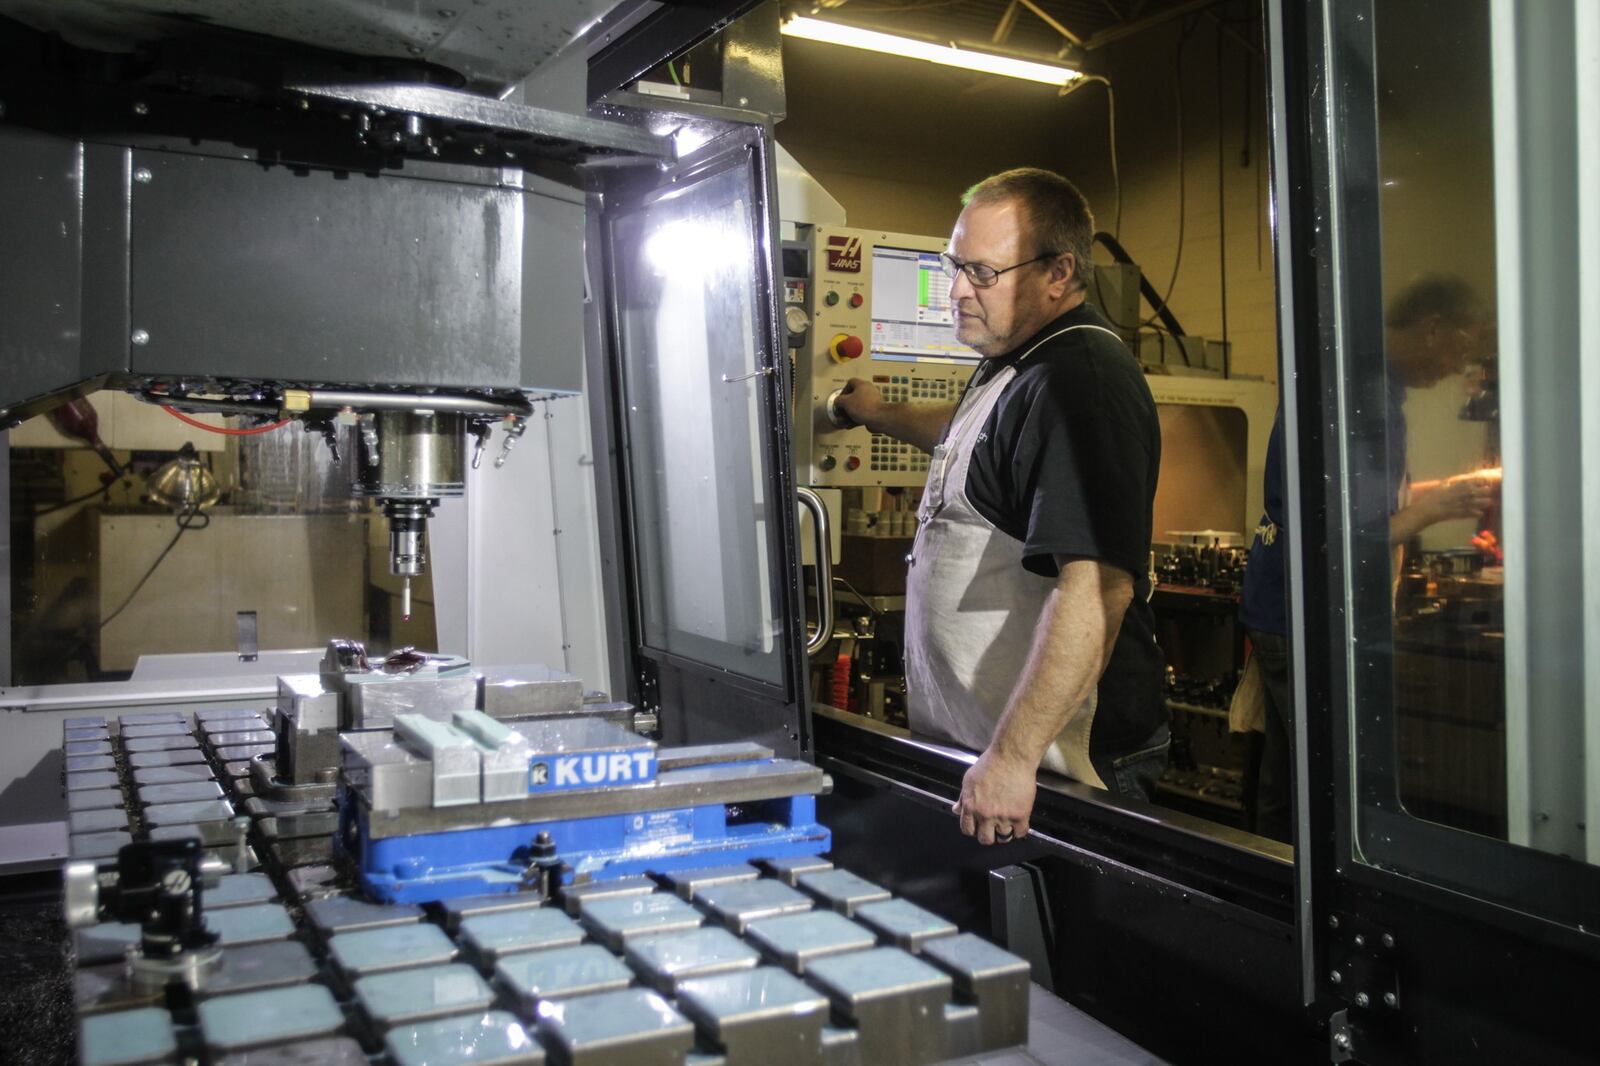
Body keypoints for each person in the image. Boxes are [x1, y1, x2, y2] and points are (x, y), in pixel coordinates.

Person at [832, 168, 1166, 846]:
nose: (956, 291)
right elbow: (972, 441)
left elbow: (1098, 588)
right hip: (992, 757)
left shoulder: (1082, 385)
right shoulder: (1018, 358)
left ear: (1058, 273)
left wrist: (1013, 759)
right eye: (954, 267)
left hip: (1058, 769)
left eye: (981, 273)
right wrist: (874, 413)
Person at [1240, 274, 1493, 843]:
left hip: (1287, 609)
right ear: (1432, 330)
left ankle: (1277, 885)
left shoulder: (1363, 382)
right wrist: (1436, 508)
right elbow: (1337, 539)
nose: (1459, 368)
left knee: (1289, 779)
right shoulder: (1356, 392)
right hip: (1302, 615)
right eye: (1461, 349)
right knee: (1323, 782)